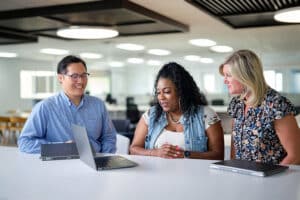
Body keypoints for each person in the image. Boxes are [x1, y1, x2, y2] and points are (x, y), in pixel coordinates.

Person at [18, 55, 116, 154]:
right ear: (60, 78)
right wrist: (61, 148)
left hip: (96, 162)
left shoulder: (98, 105)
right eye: (74, 76)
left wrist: (105, 158)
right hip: (59, 164)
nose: (80, 81)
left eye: (83, 75)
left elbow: (109, 137)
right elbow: (25, 142)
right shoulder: (45, 107)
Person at [219, 49, 300, 165]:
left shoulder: (275, 104)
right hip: (244, 177)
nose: (225, 81)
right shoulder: (237, 104)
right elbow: (235, 148)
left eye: (228, 75)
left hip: (274, 178)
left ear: (245, 75)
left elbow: (295, 156)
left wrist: (270, 180)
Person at [130, 62, 224, 159]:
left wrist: (185, 154)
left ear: (181, 91)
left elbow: (218, 155)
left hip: (193, 173)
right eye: (158, 92)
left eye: (167, 92)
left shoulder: (206, 115)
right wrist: (155, 153)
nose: (161, 97)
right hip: (156, 173)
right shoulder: (151, 115)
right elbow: (133, 149)